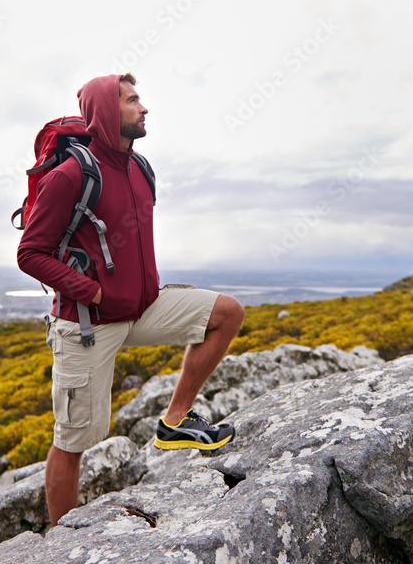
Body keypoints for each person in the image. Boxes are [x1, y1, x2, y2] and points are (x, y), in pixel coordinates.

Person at [17, 73, 245, 526]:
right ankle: (65, 542)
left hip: (141, 308)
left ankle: (176, 420)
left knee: (227, 313)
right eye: (132, 100)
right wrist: (93, 291)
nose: (144, 108)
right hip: (88, 324)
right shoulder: (71, 175)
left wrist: (133, 290)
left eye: (140, 99)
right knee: (73, 441)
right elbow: (30, 253)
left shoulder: (140, 168)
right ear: (106, 110)